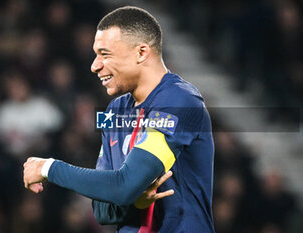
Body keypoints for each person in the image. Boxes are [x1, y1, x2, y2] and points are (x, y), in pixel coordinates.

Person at [23, 6, 215, 233]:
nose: (95, 65)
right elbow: (102, 211)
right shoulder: (113, 112)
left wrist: (49, 167)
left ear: (141, 53)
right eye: (96, 54)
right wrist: (134, 201)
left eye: (105, 54)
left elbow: (122, 186)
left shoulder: (180, 101)